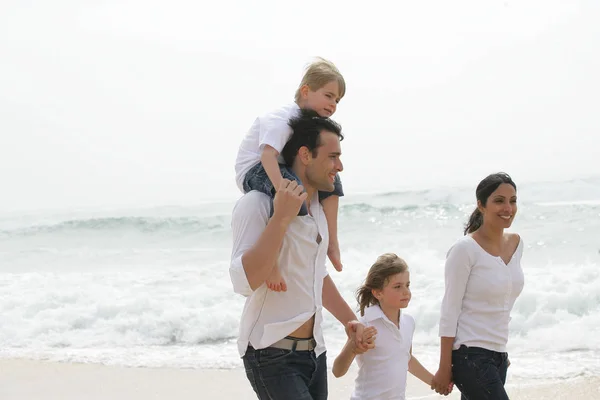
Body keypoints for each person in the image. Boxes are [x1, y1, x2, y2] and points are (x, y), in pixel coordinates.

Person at [230, 109, 372, 400]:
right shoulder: (256, 203)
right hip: (270, 353)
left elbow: (315, 275)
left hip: (315, 353)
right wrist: (280, 218)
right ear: (305, 155)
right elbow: (244, 282)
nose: (340, 166)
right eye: (332, 156)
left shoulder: (318, 210)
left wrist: (350, 322)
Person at [234, 57, 346, 292]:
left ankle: (333, 243)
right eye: (328, 96)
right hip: (254, 167)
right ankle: (272, 260)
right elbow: (267, 156)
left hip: (280, 164)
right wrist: (283, 192)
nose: (333, 104)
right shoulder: (282, 119)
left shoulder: (313, 122)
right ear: (306, 91)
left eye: (337, 100)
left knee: (333, 178)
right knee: (292, 190)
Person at [432, 172, 525, 399]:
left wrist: (499, 348)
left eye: (512, 201)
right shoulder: (465, 249)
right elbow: (450, 309)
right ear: (481, 205)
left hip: (498, 355)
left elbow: (503, 302)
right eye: (499, 200)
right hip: (469, 355)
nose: (508, 208)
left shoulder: (516, 244)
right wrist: (445, 366)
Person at [332, 253, 446, 400]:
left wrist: (434, 382)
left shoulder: (408, 322)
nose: (406, 291)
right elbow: (337, 371)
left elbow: (407, 359)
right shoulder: (366, 324)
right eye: (397, 287)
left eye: (407, 285)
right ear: (378, 293)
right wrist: (353, 346)